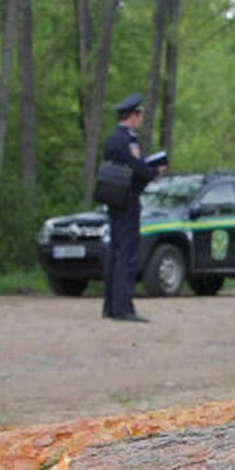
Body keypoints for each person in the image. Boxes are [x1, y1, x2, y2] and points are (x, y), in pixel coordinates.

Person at [102, 93, 164, 322]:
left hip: (113, 200)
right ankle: (123, 308)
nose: (140, 119)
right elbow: (137, 169)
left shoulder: (111, 139)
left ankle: (110, 305)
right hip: (127, 200)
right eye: (140, 114)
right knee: (127, 254)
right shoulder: (129, 140)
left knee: (116, 252)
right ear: (133, 115)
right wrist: (154, 172)